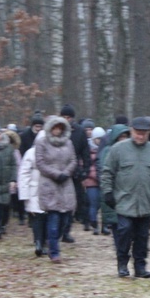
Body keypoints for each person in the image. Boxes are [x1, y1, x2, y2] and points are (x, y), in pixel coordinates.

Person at [101, 117, 150, 278]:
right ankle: (122, 263)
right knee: (124, 231)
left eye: (144, 133)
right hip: (124, 201)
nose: (140, 136)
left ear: (149, 133)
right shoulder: (118, 149)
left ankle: (140, 266)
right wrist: (108, 192)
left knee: (142, 236)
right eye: (138, 133)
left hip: (146, 202)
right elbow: (107, 173)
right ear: (131, 131)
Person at [34, 116, 77, 263]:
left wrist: (66, 173)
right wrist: (56, 174)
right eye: (55, 127)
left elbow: (73, 160)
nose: (57, 130)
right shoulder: (42, 143)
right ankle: (54, 251)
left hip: (65, 184)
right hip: (50, 184)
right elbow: (40, 163)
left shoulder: (69, 143)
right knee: (53, 219)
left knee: (64, 220)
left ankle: (53, 241)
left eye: (60, 128)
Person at [60, 104, 91, 243]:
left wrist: (86, 170)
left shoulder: (79, 132)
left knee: (71, 203)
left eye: (69, 117)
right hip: (57, 170)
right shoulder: (55, 130)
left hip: (74, 171)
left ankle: (66, 230)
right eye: (64, 117)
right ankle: (57, 230)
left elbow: (85, 152)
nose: (67, 120)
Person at [97, 124, 130, 250]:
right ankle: (120, 248)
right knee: (117, 224)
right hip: (114, 190)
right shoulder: (107, 151)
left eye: (125, 136)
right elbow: (105, 172)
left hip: (128, 191)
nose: (123, 139)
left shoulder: (131, 151)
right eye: (120, 136)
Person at [18, 132, 47, 256]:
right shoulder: (30, 153)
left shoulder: (53, 152)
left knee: (46, 217)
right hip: (34, 189)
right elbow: (24, 174)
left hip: (48, 189)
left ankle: (42, 241)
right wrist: (24, 194)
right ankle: (39, 242)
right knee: (37, 217)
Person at [83, 127, 105, 235]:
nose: (99, 141)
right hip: (91, 182)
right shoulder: (88, 150)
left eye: (101, 139)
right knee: (93, 204)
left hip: (103, 182)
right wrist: (95, 176)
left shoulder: (105, 150)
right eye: (98, 139)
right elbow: (86, 166)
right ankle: (94, 224)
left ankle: (102, 225)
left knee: (101, 205)